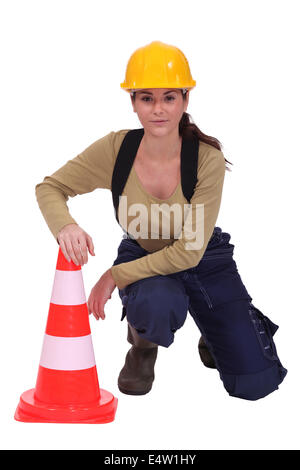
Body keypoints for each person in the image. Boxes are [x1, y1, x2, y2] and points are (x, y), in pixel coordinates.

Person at [35, 40, 287, 401]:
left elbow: (187, 253)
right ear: (133, 102)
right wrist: (66, 225)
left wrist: (112, 276)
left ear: (185, 100)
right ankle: (143, 346)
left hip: (204, 257)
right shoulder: (115, 150)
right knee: (156, 304)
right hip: (143, 253)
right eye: (146, 98)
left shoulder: (206, 158)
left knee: (255, 383)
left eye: (169, 97)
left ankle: (216, 328)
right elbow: (50, 187)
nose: (158, 109)